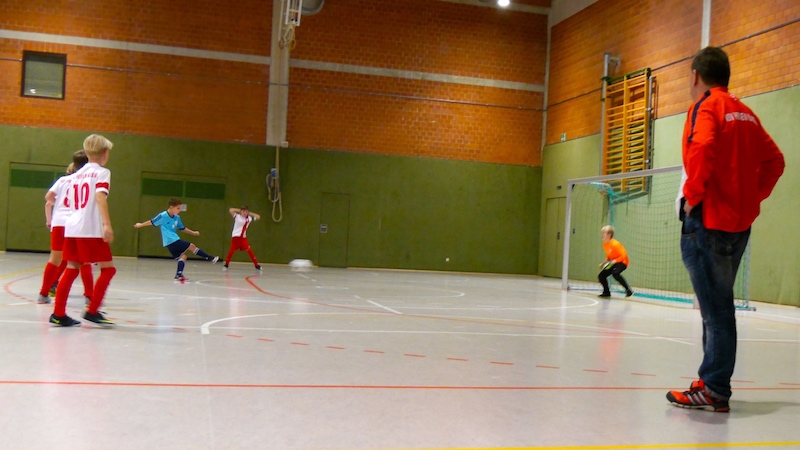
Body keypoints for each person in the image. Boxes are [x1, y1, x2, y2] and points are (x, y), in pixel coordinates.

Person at [667, 47, 785, 412]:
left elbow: (702, 146)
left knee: (716, 310)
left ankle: (715, 388)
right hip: (738, 224)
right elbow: (775, 161)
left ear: (695, 75)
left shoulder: (705, 107)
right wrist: (751, 198)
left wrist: (692, 196)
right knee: (717, 306)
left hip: (709, 221)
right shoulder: (746, 113)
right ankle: (711, 380)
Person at [50, 134, 117, 327]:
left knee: (72, 268)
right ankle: (92, 310)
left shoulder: (74, 176)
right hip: (90, 229)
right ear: (105, 153)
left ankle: (58, 313)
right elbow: (100, 197)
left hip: (72, 227)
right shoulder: (102, 173)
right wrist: (107, 225)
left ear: (86, 152)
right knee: (108, 269)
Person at [37, 150, 94, 305]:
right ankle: (89, 296)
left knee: (54, 259)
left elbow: (48, 197)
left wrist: (60, 205)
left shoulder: (63, 180)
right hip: (76, 222)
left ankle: (43, 294)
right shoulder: (87, 182)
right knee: (84, 261)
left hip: (59, 222)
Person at [134, 197, 219, 281]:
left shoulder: (177, 218)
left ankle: (178, 275)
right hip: (171, 240)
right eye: (178, 208)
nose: (179, 210)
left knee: (183, 256)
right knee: (191, 246)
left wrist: (193, 232)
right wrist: (141, 225)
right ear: (171, 207)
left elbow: (182, 228)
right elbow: (152, 221)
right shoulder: (163, 215)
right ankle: (210, 258)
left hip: (170, 243)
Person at [597, 225, 633, 298]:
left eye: (603, 233)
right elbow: (609, 256)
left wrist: (614, 261)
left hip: (622, 262)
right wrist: (603, 263)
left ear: (609, 235)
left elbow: (623, 255)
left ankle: (628, 290)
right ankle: (606, 292)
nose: (602, 234)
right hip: (613, 262)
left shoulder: (616, 244)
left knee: (615, 273)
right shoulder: (605, 244)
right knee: (601, 276)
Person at [223, 206, 262, 271]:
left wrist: (249, 213)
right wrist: (240, 211)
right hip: (236, 237)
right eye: (243, 211)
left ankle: (256, 265)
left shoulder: (249, 218)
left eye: (246, 212)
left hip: (243, 238)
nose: (244, 213)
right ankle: (226, 264)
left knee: (249, 251)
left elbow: (258, 217)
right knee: (231, 251)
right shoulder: (237, 217)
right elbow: (231, 210)